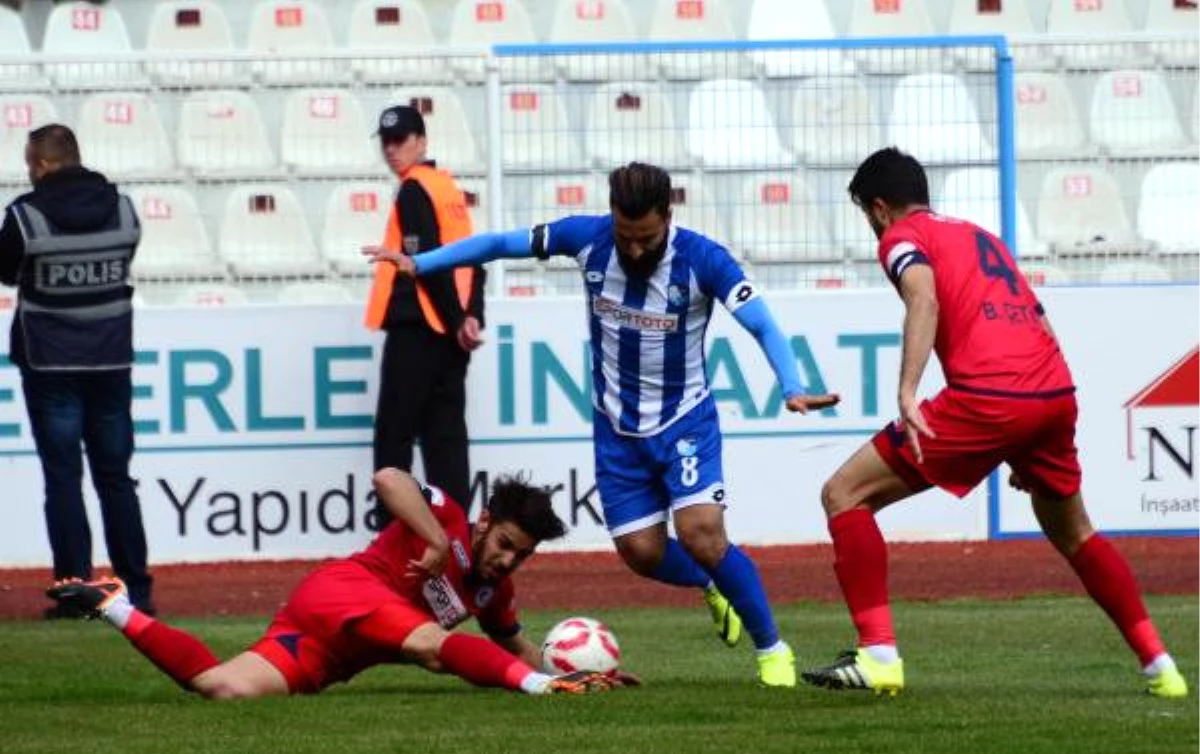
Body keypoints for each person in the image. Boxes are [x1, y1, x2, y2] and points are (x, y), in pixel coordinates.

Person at [364, 162, 841, 687]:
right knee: (641, 553)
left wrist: (791, 384)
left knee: (702, 533)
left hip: (684, 421)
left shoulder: (704, 260)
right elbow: (499, 243)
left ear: (668, 217)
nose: (634, 250)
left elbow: (761, 323)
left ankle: (773, 651)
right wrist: (420, 262)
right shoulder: (587, 238)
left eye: (647, 238)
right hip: (617, 431)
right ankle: (713, 584)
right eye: (625, 236)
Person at [800, 147, 1188, 699]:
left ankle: (879, 655)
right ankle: (1161, 667)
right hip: (1052, 391)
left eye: (868, 216)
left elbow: (923, 299)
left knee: (844, 493)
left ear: (879, 210)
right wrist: (1024, 436)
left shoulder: (901, 239)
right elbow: (1043, 324)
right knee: (1075, 532)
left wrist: (908, 392)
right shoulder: (980, 236)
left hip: (989, 396)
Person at [47, 468, 630, 698]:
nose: (507, 561)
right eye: (504, 545)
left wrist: (577, 672)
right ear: (483, 525)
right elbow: (388, 479)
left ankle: (116, 606)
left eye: (520, 557)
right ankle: (534, 695)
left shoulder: (492, 592)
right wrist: (430, 538)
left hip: (332, 648)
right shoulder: (449, 516)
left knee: (222, 687)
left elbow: (517, 647)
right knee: (433, 648)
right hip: (345, 593)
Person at [0, 123, 155, 618]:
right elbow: (122, 260)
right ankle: (138, 589)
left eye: (30, 163)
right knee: (116, 478)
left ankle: (75, 589)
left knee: (63, 478)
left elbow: (6, 270)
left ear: (42, 164)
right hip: (110, 358)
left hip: (50, 362)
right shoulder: (124, 209)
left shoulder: (25, 216)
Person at [363, 104, 486, 524]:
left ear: (421, 141)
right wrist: (470, 318)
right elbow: (475, 262)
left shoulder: (415, 189)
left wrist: (456, 321)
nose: (392, 149)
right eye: (386, 141)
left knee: (393, 441)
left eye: (400, 140)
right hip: (450, 338)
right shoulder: (446, 189)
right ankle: (455, 540)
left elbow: (426, 265)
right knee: (446, 441)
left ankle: (390, 542)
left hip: (419, 330)